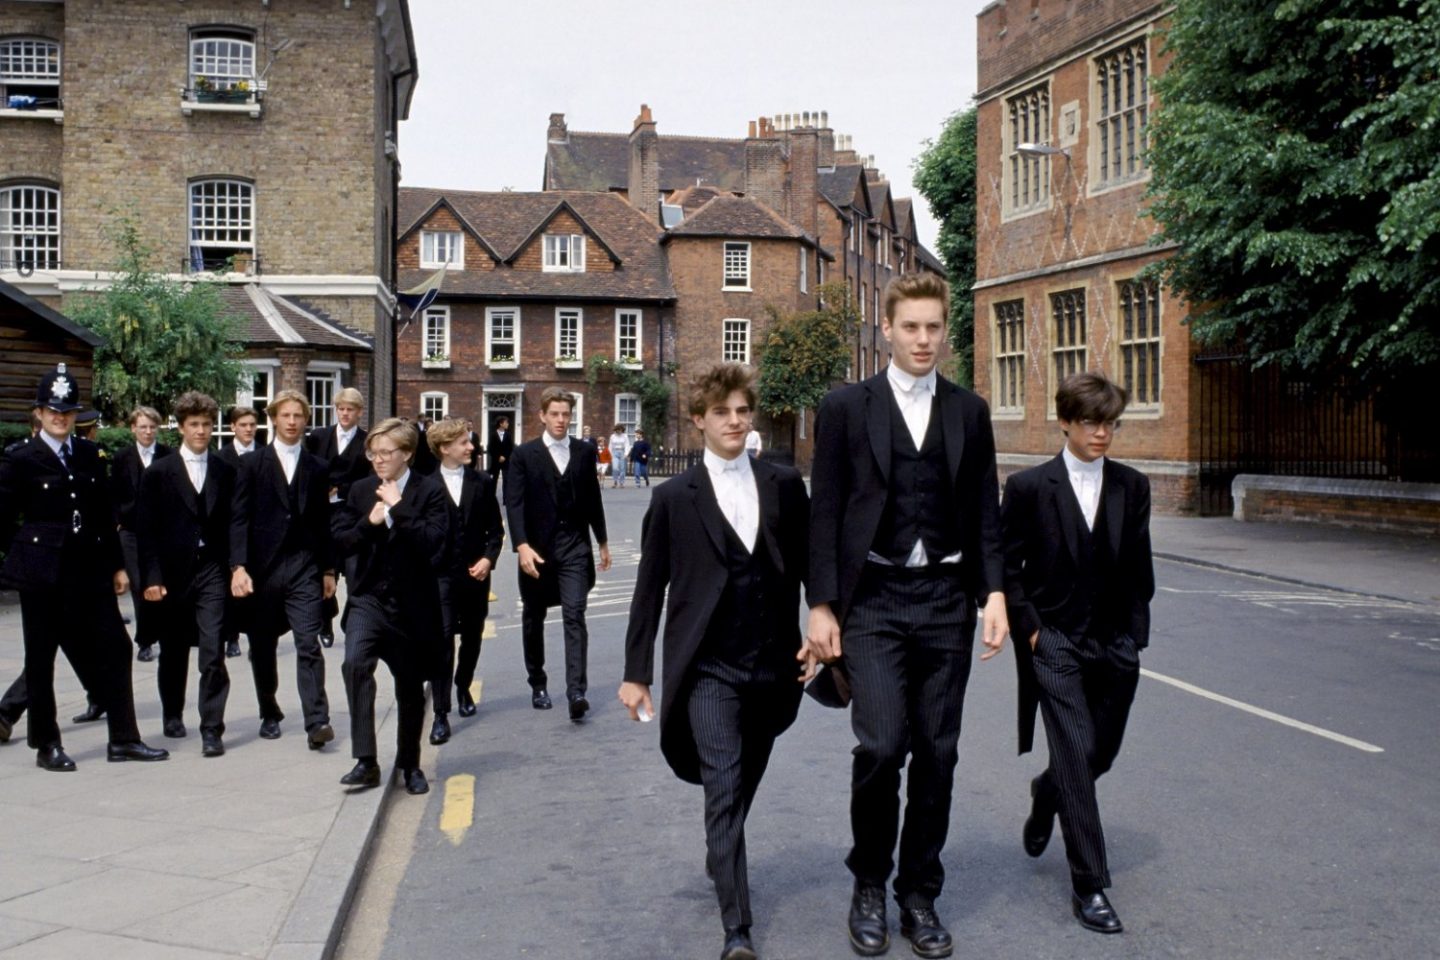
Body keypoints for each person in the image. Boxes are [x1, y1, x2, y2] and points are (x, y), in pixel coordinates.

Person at [806, 273, 1008, 959]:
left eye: (934, 327)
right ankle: (869, 882)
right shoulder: (844, 407)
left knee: (940, 753)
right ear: (886, 329)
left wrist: (996, 595)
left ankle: (919, 894)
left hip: (946, 599)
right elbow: (825, 509)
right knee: (883, 745)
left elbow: (984, 507)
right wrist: (821, 603)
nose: (924, 339)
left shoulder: (967, 411)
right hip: (875, 602)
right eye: (911, 327)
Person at [619, 364, 813, 960]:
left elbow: (810, 567)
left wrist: (825, 627)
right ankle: (737, 930)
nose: (735, 421)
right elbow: (650, 588)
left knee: (744, 778)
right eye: (722, 412)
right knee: (723, 783)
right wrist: (636, 673)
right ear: (699, 419)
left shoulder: (782, 484)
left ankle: (719, 848)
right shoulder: (674, 498)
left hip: (773, 663)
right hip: (707, 666)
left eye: (742, 411)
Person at [1000, 372, 1153, 935]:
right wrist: (1033, 630)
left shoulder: (1132, 486)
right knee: (1075, 755)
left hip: (1114, 643)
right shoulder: (1029, 488)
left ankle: (1046, 794)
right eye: (1091, 422)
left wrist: (1135, 634)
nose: (1102, 433)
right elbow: (1005, 567)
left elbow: (1140, 567)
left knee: (1098, 755)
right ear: (1065, 422)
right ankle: (1089, 885)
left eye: (1111, 423)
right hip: (1055, 641)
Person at [0, 363, 169, 770]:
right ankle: (47, 743)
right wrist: (19, 561)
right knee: (41, 659)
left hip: (89, 568)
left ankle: (124, 739)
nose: (61, 417)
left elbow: (102, 515)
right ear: (39, 413)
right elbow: (4, 521)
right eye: (53, 410)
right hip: (42, 573)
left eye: (68, 411)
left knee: (116, 646)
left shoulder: (90, 455)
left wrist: (117, 567)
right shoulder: (22, 458)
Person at [332, 418, 450, 794]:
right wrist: (370, 522)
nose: (378, 460)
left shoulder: (430, 492)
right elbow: (342, 541)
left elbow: (434, 544)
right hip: (368, 598)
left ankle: (410, 764)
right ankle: (366, 760)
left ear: (407, 454)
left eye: (387, 453)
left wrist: (400, 509)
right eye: (374, 453)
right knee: (354, 663)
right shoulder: (360, 491)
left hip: (412, 605)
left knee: (410, 689)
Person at [230, 389, 336, 750]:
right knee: (262, 646)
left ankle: (317, 720)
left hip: (304, 566)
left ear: (306, 421)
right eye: (286, 416)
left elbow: (323, 522)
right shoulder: (251, 464)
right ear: (273, 419)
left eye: (299, 416)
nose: (292, 422)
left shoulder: (317, 467)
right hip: (263, 568)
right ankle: (269, 710)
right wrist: (238, 566)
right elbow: (239, 518)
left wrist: (328, 570)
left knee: (308, 643)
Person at [135, 391, 235, 757]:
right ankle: (172, 713)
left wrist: (236, 567)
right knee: (173, 649)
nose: (202, 431)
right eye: (194, 425)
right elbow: (146, 530)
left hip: (211, 570)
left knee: (212, 650)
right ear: (180, 427)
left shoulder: (225, 470)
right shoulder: (159, 472)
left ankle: (212, 727)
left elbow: (232, 522)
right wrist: (153, 577)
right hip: (173, 572)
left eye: (208, 425)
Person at [505, 388, 611, 719]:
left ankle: (576, 691)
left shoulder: (582, 451)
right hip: (537, 550)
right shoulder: (524, 455)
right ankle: (537, 682)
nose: (561, 420)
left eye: (566, 414)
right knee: (533, 617)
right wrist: (521, 545)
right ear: (542, 416)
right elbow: (515, 503)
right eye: (555, 414)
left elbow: (593, 497)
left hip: (574, 547)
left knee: (574, 614)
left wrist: (602, 541)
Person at [427, 418, 504, 740]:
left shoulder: (483, 482)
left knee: (472, 635)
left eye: (470, 441)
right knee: (443, 640)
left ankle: (463, 686)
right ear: (445, 448)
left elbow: (495, 531)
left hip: (475, 575)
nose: (471, 447)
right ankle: (441, 713)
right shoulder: (425, 485)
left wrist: (488, 558)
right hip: (440, 576)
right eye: (464, 442)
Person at [306, 387, 369, 649]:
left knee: (353, 570)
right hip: (321, 514)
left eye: (350, 409)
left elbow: (368, 479)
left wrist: (341, 490)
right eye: (341, 409)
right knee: (323, 569)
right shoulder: (319, 437)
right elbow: (307, 467)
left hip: (351, 513)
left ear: (359, 413)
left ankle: (351, 618)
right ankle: (325, 620)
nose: (344, 413)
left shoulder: (367, 441)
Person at [111, 405, 174, 663]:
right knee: (139, 585)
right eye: (143, 427)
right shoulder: (122, 457)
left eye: (152, 427)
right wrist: (117, 522)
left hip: (161, 532)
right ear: (133, 428)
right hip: (131, 532)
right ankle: (145, 640)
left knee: (159, 583)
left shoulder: (167, 455)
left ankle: (165, 632)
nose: (148, 432)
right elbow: (113, 494)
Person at [216, 406, 262, 659]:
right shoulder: (222, 458)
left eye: (252, 425)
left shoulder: (264, 454)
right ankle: (230, 637)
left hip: (257, 530)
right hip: (229, 529)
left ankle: (255, 634)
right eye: (243, 425)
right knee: (229, 588)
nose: (248, 430)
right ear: (233, 427)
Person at [487, 415, 514, 481]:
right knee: (494, 479)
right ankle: (492, 491)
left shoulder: (508, 435)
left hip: (506, 461)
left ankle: (506, 492)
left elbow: (510, 447)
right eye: (506, 422)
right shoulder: (493, 435)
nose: (508, 424)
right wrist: (498, 457)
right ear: (501, 424)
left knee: (506, 480)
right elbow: (491, 448)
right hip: (496, 461)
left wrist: (504, 456)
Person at [608, 423, 631, 488]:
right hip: (614, 452)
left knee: (622, 468)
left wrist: (626, 454)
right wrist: (610, 455)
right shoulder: (612, 436)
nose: (619, 431)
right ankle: (615, 481)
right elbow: (610, 446)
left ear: (622, 430)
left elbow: (627, 445)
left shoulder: (625, 436)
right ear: (615, 429)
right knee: (615, 468)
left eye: (620, 429)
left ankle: (621, 482)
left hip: (622, 452)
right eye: (617, 429)